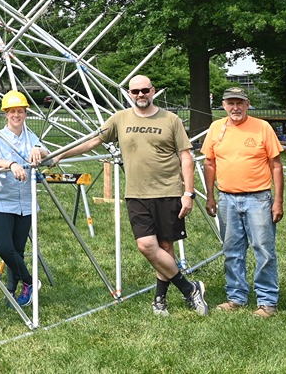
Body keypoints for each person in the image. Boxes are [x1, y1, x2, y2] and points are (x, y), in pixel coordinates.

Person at [58, 75, 208, 316]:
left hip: (168, 191)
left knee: (165, 246)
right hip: (136, 193)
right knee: (147, 245)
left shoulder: (171, 120)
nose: (140, 95)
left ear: (153, 91)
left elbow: (186, 157)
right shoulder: (119, 119)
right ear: (129, 94)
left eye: (145, 90)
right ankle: (189, 288)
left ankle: (160, 299)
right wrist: (60, 155)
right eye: (135, 91)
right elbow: (94, 141)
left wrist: (188, 193)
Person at [201, 86, 284, 318]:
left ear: (248, 104)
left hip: (258, 198)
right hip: (227, 198)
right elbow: (209, 163)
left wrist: (278, 201)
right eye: (230, 103)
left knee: (264, 250)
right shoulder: (216, 128)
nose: (235, 108)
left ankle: (267, 301)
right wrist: (210, 196)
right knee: (232, 250)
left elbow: (276, 165)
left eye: (240, 103)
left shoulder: (262, 127)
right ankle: (236, 296)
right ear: (224, 105)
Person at [0, 90, 48, 308]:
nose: (16, 115)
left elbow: (45, 150)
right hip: (3, 199)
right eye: (12, 111)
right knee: (4, 247)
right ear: (5, 114)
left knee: (17, 250)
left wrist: (39, 150)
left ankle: (12, 290)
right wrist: (11, 164)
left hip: (26, 201)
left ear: (25, 113)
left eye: (20, 111)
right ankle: (31, 281)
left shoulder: (31, 136)